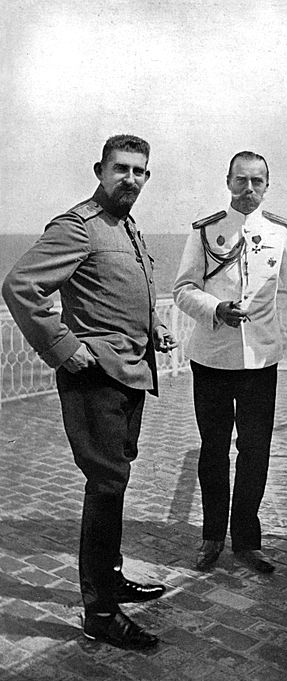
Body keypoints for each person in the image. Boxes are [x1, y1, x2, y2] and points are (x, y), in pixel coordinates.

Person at [2, 135, 178, 649]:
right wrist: (62, 346)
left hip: (129, 373)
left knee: (113, 482)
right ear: (99, 170)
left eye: (139, 171)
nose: (130, 178)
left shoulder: (125, 226)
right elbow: (20, 286)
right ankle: (99, 611)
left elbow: (116, 292)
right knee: (106, 484)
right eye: (121, 168)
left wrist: (153, 327)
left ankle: (111, 577)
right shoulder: (77, 225)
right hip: (95, 378)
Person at [173, 150, 287, 574]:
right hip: (212, 359)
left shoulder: (280, 233)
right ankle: (212, 536)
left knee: (255, 452)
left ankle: (247, 541)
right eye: (241, 180)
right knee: (213, 451)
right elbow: (182, 289)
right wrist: (216, 309)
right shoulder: (205, 231)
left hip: (260, 363)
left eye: (257, 181)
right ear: (228, 182)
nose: (248, 189)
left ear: (267, 186)